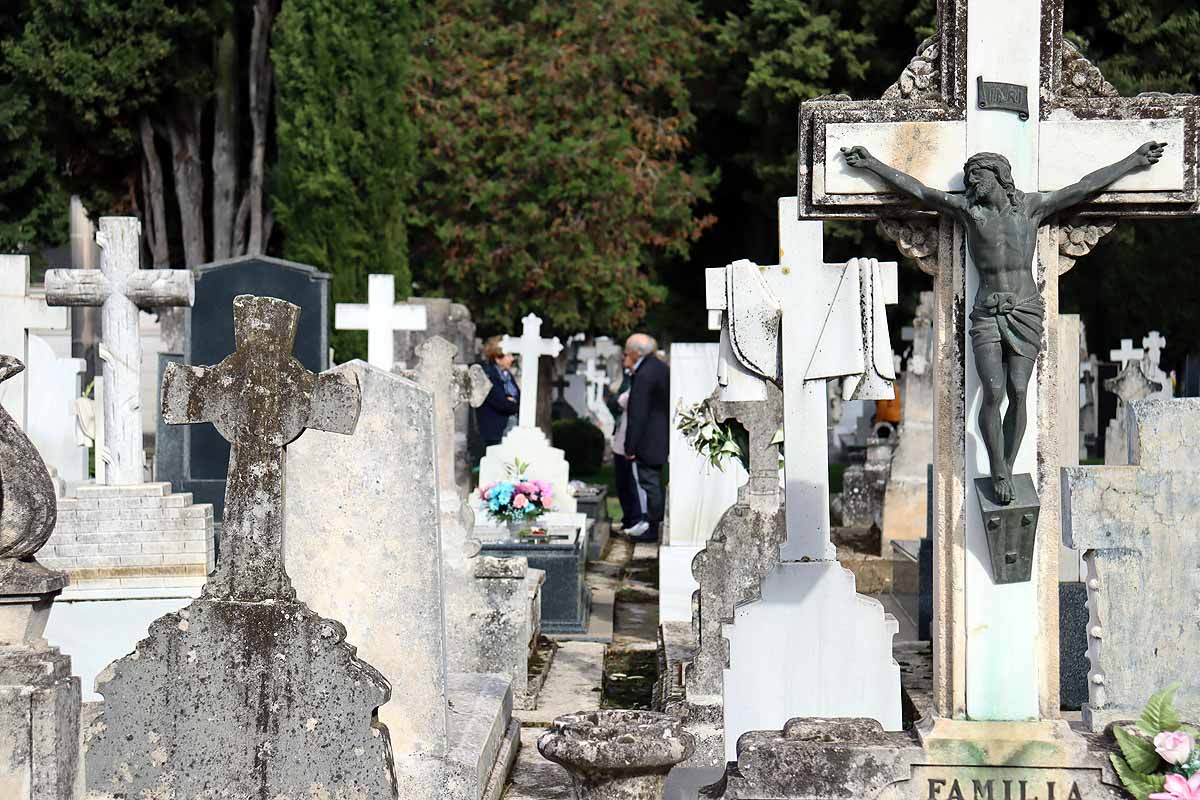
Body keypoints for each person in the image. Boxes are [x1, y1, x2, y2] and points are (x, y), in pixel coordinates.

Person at [842, 140, 1164, 503]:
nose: (971, 182)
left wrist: (1133, 161)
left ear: (998, 176)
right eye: (968, 176)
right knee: (992, 392)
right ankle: (997, 468)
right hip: (986, 313)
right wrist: (872, 165)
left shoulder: (1031, 208)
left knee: (1020, 391)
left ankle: (1008, 466)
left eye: (977, 175)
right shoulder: (967, 211)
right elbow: (920, 191)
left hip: (1025, 308)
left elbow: (1085, 187)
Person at [622, 333, 669, 542]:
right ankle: (655, 524)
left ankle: (654, 527)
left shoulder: (644, 373)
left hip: (649, 440)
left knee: (650, 484)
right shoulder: (658, 367)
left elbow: (638, 414)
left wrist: (630, 446)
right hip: (658, 437)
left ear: (635, 352)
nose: (626, 355)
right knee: (653, 483)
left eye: (626, 351)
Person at [609, 352, 648, 536]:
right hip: (620, 437)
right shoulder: (629, 378)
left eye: (626, 356)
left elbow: (626, 401)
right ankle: (628, 518)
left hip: (629, 439)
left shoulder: (639, 380)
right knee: (622, 482)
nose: (624, 360)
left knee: (631, 483)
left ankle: (636, 518)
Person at [477, 335, 520, 448]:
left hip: (510, 427)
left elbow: (518, 398)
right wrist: (512, 402)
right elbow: (501, 403)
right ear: (497, 358)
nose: (512, 359)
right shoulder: (489, 375)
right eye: (509, 355)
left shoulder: (507, 375)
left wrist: (512, 400)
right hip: (496, 432)